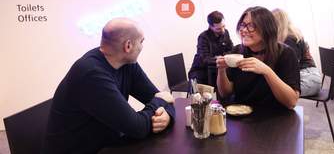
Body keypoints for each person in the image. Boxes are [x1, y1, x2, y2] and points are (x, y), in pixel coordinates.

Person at [42, 18, 175, 154]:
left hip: (106, 145)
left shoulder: (127, 63)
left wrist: (168, 116)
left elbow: (159, 99)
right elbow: (138, 127)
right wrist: (161, 101)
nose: (142, 46)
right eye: (141, 42)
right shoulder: (91, 74)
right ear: (128, 46)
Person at [216, 6, 300, 109]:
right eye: (243, 25)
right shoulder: (237, 52)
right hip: (241, 114)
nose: (244, 30)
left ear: (267, 29)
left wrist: (267, 71)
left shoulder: (285, 53)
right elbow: (225, 93)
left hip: (274, 116)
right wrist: (221, 70)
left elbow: (291, 102)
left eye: (251, 26)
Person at [272, 8, 321, 96]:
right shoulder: (289, 36)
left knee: (272, 91)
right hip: (308, 76)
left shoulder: (289, 39)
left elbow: (290, 68)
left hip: (307, 79)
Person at [188, 11, 233, 88]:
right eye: (218, 29)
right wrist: (222, 58)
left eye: (223, 26)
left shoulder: (225, 33)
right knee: (201, 94)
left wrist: (222, 58)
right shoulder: (203, 37)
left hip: (217, 69)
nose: (222, 30)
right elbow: (205, 58)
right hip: (201, 70)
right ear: (211, 26)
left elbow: (232, 50)